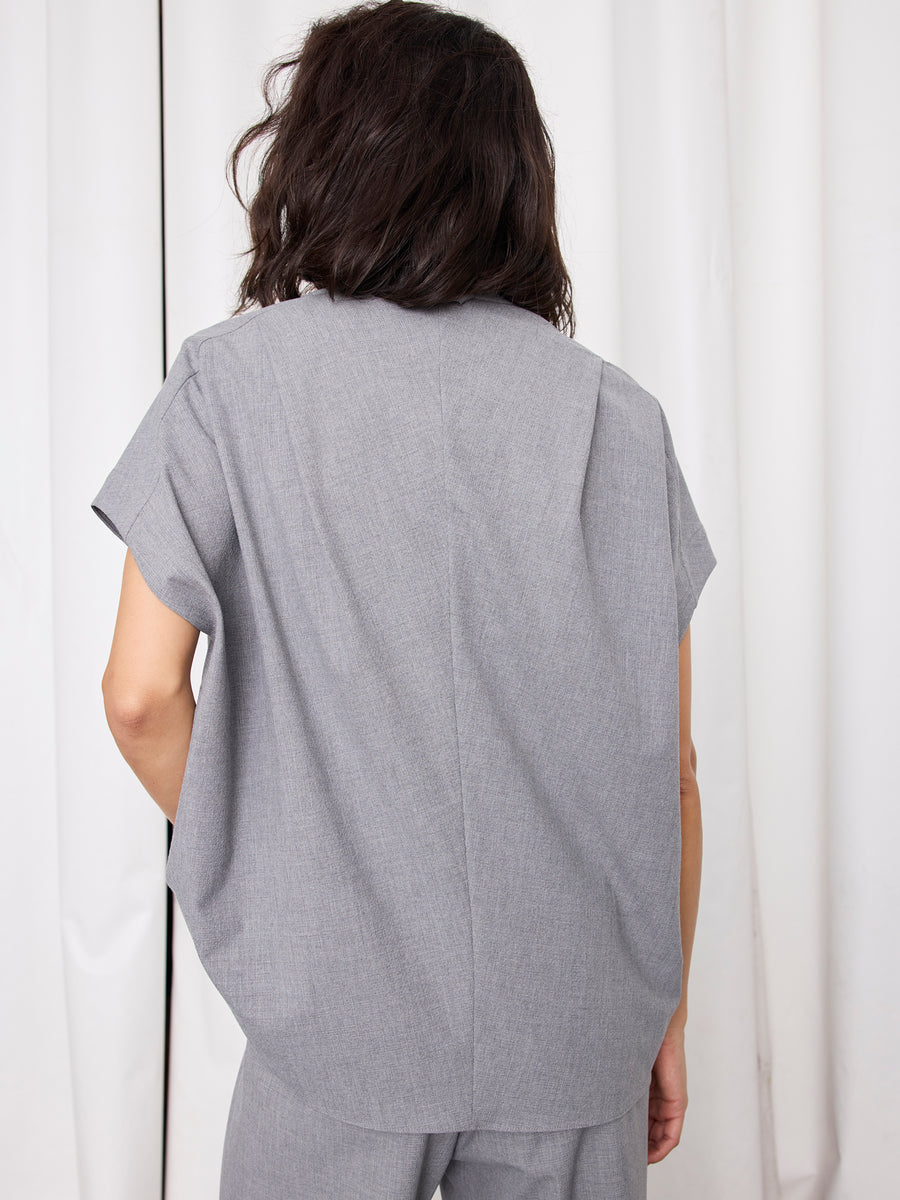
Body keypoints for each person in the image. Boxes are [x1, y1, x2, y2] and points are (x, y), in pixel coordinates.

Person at [91, 1, 717, 1196]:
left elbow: (139, 697)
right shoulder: (619, 419)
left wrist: (279, 867)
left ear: (323, 155)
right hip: (575, 1023)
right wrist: (667, 1012)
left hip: (338, 1024)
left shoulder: (232, 385)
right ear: (514, 179)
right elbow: (670, 767)